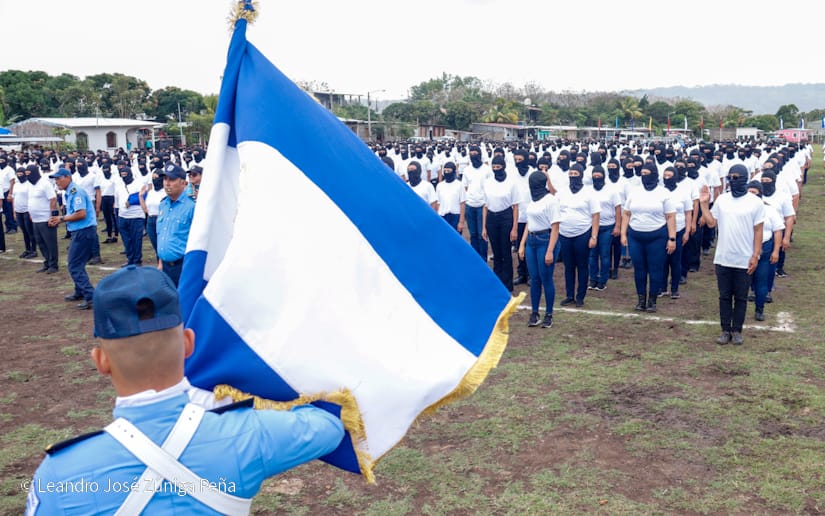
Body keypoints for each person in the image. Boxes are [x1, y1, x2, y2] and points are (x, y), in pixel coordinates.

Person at [26, 265, 345, 514]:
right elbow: (330, 427)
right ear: (189, 343)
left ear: (101, 361)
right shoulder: (249, 434)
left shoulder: (58, 474)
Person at [699, 164, 765, 346]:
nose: (733, 181)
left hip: (744, 258)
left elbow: (758, 230)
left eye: (737, 177)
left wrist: (755, 255)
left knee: (741, 297)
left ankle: (737, 330)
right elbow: (711, 223)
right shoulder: (722, 200)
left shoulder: (755, 202)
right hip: (723, 257)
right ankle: (725, 330)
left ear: (744, 179)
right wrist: (704, 204)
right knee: (724, 296)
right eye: (730, 178)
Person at [620, 164, 676, 313]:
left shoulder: (663, 193)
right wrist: (623, 233)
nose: (643, 176)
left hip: (657, 236)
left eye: (647, 173)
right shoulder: (635, 192)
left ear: (654, 174)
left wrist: (672, 238)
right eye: (642, 173)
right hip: (636, 236)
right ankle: (641, 300)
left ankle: (652, 300)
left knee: (655, 268)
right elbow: (626, 213)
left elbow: (670, 217)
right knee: (639, 269)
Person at [47, 169, 97, 309]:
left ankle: (90, 296)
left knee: (74, 265)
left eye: (59, 179)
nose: (56, 182)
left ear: (67, 177)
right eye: (55, 180)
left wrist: (61, 219)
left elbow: (81, 213)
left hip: (83, 231)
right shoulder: (70, 192)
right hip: (81, 231)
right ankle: (80, 291)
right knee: (77, 264)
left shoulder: (76, 191)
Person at [518, 171, 561, 328]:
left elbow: (555, 227)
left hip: (545, 240)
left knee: (546, 278)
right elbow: (529, 223)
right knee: (534, 278)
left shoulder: (551, 200)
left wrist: (550, 250)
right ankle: (534, 313)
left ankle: (549, 314)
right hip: (531, 240)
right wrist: (522, 244)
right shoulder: (533, 200)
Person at [556, 164, 599, 307]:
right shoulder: (561, 193)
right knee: (568, 266)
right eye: (571, 173)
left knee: (582, 265)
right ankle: (569, 295)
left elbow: (595, 215)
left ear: (581, 175)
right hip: (564, 233)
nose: (573, 176)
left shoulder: (589, 193)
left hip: (583, 233)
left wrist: (594, 236)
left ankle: (580, 296)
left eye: (576, 173)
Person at [482, 155, 520, 292]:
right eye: (494, 167)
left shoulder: (511, 182)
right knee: (496, 252)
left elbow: (516, 207)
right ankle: (497, 282)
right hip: (491, 217)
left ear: (503, 167)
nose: (496, 170)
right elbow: (485, 206)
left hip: (506, 217)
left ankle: (507, 284)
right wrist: (484, 226)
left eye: (498, 167)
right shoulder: (487, 182)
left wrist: (514, 228)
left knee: (506, 252)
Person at [746, 181, 783, 322]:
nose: (751, 196)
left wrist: (775, 251)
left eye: (754, 193)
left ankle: (759, 309)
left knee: (761, 280)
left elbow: (778, 230)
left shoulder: (769, 210)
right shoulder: (741, 209)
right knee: (742, 282)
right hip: (745, 248)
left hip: (764, 248)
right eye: (748, 192)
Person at [156, 165, 195, 286]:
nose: (167, 183)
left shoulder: (192, 206)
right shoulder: (163, 205)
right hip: (165, 266)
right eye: (165, 179)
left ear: (183, 183)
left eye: (172, 180)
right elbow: (162, 234)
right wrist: (161, 262)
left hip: (183, 266)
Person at [587, 165, 621, 291]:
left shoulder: (612, 190)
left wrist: (618, 225)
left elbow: (618, 209)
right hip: (592, 227)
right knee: (592, 254)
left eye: (599, 175)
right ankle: (593, 279)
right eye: (594, 176)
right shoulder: (588, 190)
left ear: (603, 176)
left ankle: (603, 280)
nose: (596, 178)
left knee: (605, 254)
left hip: (607, 226)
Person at [25, 164, 59, 273]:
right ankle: (47, 262)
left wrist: (51, 216)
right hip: (35, 219)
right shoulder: (30, 185)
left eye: (29, 174)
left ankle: (53, 265)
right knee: (40, 242)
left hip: (45, 218)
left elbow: (53, 199)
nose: (27, 177)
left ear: (34, 173)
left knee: (50, 242)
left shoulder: (44, 184)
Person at [462, 146, 491, 260]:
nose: (473, 156)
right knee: (473, 234)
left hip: (482, 206)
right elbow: (465, 187)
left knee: (482, 234)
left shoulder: (487, 170)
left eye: (475, 153)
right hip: (470, 205)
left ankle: (483, 258)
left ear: (480, 154)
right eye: (471, 154)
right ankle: (475, 258)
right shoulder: (467, 170)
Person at [115, 166, 147, 267]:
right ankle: (130, 259)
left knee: (136, 239)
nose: (124, 176)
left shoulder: (138, 184)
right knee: (126, 240)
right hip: (122, 216)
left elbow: (144, 196)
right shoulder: (119, 185)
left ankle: (137, 260)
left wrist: (131, 201)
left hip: (136, 216)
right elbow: (116, 201)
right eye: (122, 175)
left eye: (126, 174)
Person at [12, 167, 37, 258]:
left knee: (30, 231)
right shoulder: (16, 185)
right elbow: (14, 199)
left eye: (21, 174)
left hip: (27, 210)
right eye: (17, 175)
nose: (19, 176)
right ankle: (27, 249)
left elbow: (31, 198)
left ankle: (33, 250)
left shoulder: (29, 185)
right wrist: (14, 211)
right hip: (18, 211)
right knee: (24, 232)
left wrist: (31, 211)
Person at [435, 161, 465, 232]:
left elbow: (462, 204)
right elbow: (438, 203)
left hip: (455, 216)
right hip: (443, 216)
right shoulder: (440, 186)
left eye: (449, 171)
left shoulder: (459, 185)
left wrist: (461, 221)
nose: (447, 172)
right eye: (445, 171)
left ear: (454, 171)